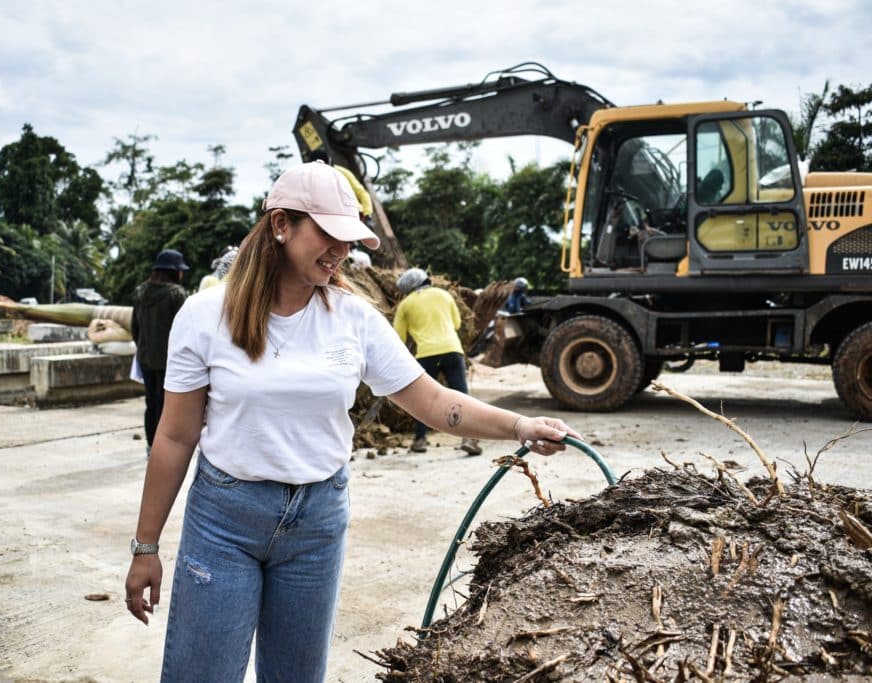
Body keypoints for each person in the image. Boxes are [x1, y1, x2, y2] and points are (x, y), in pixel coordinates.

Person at [123, 161, 581, 683]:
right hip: (226, 521)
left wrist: (519, 426)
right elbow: (177, 434)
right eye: (328, 234)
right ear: (280, 225)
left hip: (317, 524)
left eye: (349, 238)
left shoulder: (354, 318)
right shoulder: (205, 316)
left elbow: (433, 401)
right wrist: (146, 546)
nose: (341, 250)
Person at [393, 267, 482, 455]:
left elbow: (398, 337)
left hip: (426, 354)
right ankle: (470, 439)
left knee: (423, 400)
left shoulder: (406, 305)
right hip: (452, 350)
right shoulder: (444, 295)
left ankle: (420, 440)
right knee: (462, 397)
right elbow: (457, 323)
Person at [131, 249, 188, 455]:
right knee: (167, 407)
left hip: (146, 358)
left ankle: (150, 445)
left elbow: (134, 328)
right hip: (170, 361)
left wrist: (143, 349)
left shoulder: (139, 292)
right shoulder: (177, 295)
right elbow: (185, 328)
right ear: (173, 272)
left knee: (151, 403)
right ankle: (163, 450)